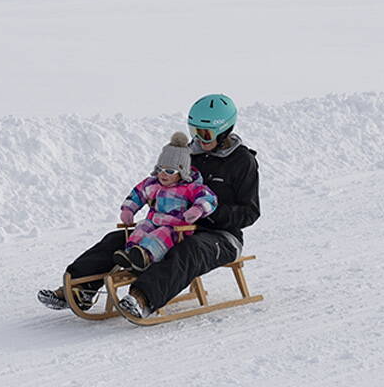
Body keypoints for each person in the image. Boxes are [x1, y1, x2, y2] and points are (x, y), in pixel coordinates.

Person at [39, 94, 260, 320]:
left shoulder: (242, 162)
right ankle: (77, 289)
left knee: (188, 251)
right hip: (171, 228)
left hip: (219, 236)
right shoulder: (187, 154)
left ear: (224, 131)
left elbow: (250, 212)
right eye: (194, 132)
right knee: (118, 239)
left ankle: (142, 298)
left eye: (205, 134)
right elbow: (161, 180)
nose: (199, 140)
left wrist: (206, 215)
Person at [113, 131, 218, 271]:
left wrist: (197, 209)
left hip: (175, 229)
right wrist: (128, 209)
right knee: (142, 226)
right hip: (153, 221)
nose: (163, 174)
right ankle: (130, 253)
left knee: (161, 234)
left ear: (182, 173)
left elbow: (209, 198)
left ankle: (145, 255)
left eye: (170, 171)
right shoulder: (153, 183)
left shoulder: (190, 187)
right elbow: (138, 193)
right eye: (160, 169)